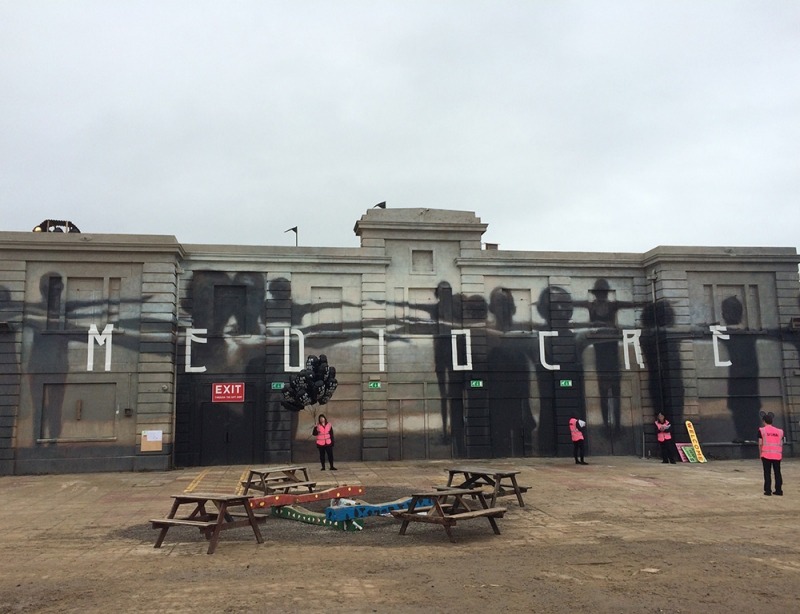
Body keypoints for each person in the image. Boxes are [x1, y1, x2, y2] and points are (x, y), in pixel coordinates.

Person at [758, 412, 783, 496]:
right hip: (777, 455)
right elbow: (781, 443)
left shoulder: (762, 430)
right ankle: (779, 490)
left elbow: (760, 443)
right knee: (777, 472)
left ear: (764, 421)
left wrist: (760, 453)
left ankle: (768, 490)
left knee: (767, 473)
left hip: (766, 454)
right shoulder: (779, 431)